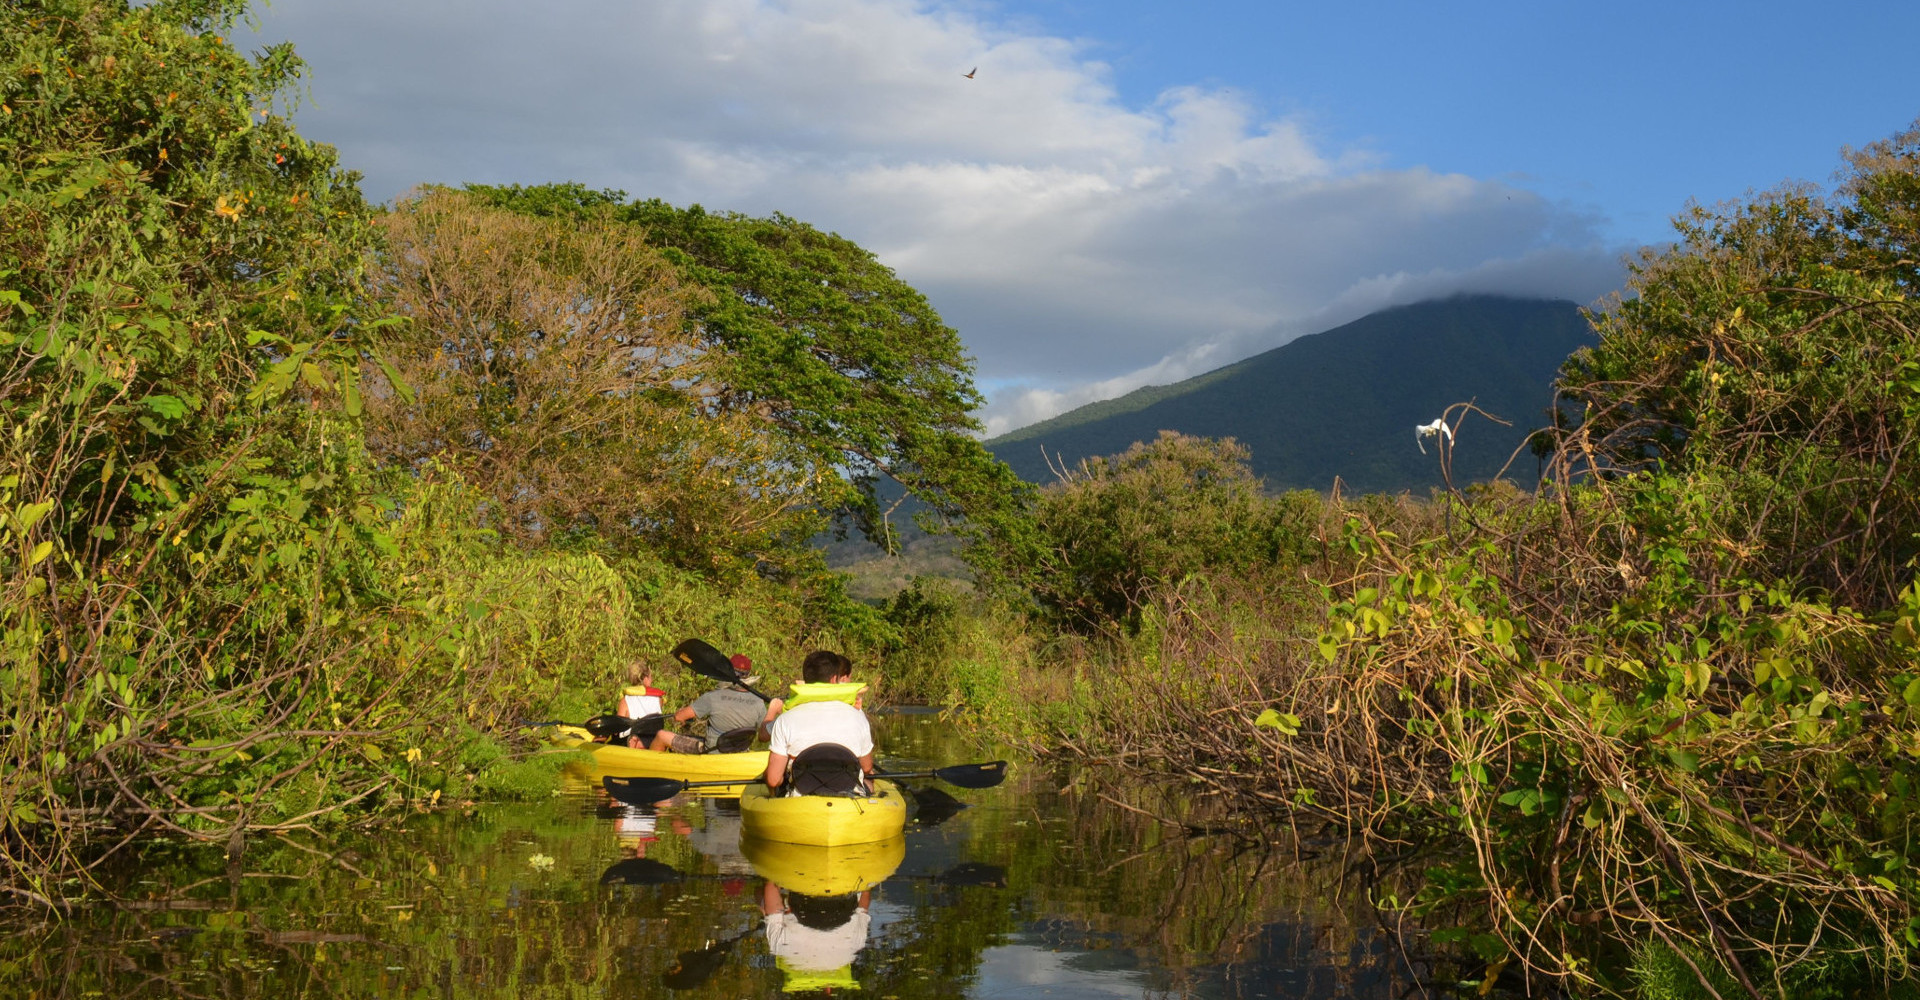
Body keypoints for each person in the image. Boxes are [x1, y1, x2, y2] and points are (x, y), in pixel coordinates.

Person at [764, 650, 873, 794]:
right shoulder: (858, 717)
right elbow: (866, 767)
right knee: (870, 776)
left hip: (802, 799)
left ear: (806, 680)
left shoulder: (785, 719)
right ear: (835, 679)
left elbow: (773, 780)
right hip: (847, 798)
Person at [650, 654, 782, 754]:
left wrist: (680, 715)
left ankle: (651, 776)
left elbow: (679, 717)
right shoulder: (758, 703)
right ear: (748, 675)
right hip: (739, 754)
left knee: (661, 735)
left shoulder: (712, 697)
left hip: (710, 752)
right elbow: (764, 737)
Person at [614, 662, 666, 748]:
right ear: (645, 678)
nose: (651, 679)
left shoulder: (625, 701)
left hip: (631, 743)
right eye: (650, 677)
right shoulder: (659, 699)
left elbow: (618, 729)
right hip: (652, 742)